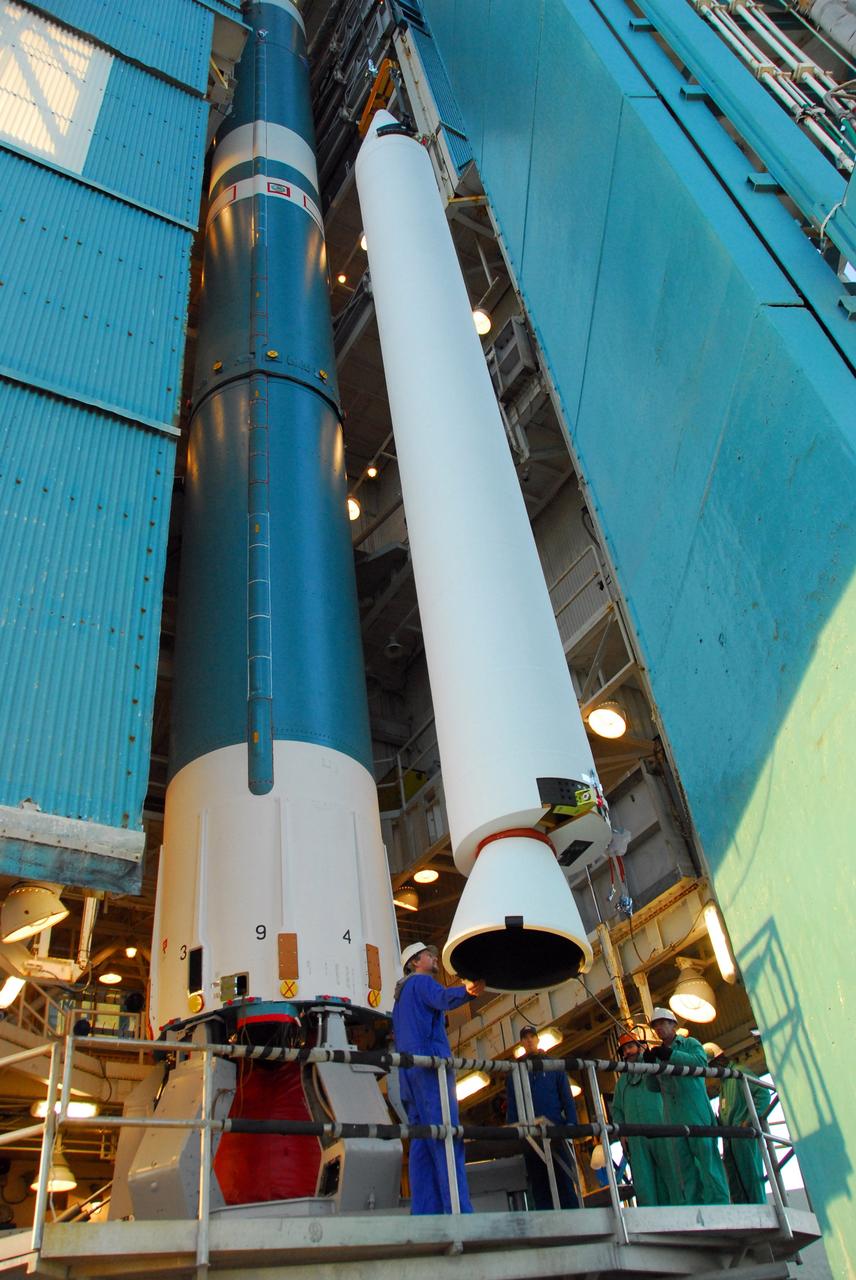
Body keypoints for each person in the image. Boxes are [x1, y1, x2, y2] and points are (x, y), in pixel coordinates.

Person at [392, 941, 484, 1214]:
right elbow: (443, 998)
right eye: (428, 955)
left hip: (407, 1071)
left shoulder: (399, 998)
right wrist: (467, 992)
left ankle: (425, 1214)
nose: (434, 957)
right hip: (431, 1066)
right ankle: (458, 1210)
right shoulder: (421, 983)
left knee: (421, 1140)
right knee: (446, 1134)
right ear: (414, 963)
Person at [645, 1008, 730, 1205]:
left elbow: (701, 1065)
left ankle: (720, 1203)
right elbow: (652, 1087)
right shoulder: (658, 1054)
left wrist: (671, 1055)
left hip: (696, 1112)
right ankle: (694, 1207)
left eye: (662, 1023)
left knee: (707, 1159)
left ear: (673, 1024)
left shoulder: (690, 1044)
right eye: (656, 1025)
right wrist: (650, 1068)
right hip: (673, 1118)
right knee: (683, 1167)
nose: (658, 1028)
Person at [506, 1025, 579, 1209]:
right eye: (525, 1037)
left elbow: (567, 1098)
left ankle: (573, 1220)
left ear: (537, 1039)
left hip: (555, 1132)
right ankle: (549, 1227)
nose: (529, 1040)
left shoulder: (554, 1067)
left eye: (532, 1036)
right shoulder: (516, 1072)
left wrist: (572, 1125)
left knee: (564, 1180)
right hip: (531, 1136)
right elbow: (513, 1103)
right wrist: (513, 1131)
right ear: (521, 1042)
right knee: (539, 1185)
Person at [612, 1029, 678, 1206]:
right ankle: (652, 1219)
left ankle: (680, 1212)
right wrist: (622, 1133)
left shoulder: (653, 1067)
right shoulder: (622, 1083)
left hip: (661, 1130)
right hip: (636, 1139)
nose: (627, 1052)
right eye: (624, 1050)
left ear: (641, 1046)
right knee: (644, 1181)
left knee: (671, 1173)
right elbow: (617, 1110)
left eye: (630, 1047)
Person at [709, 1047, 775, 1204]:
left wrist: (749, 1121)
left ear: (719, 1060)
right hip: (730, 1139)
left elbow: (763, 1093)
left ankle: (759, 1209)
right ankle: (746, 1210)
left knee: (750, 1177)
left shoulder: (738, 1073)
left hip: (743, 1136)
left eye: (712, 1066)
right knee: (735, 1181)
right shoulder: (724, 1084)